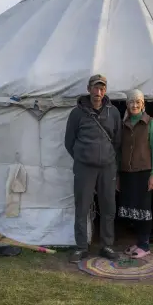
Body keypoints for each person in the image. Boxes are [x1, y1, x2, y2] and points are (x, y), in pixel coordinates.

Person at [64, 74, 122, 263]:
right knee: (82, 207)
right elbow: (69, 142)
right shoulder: (77, 113)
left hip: (107, 167)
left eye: (102, 88)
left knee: (108, 207)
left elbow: (117, 140)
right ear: (88, 89)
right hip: (84, 168)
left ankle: (106, 245)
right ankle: (81, 247)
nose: (98, 92)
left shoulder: (113, 112)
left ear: (105, 90)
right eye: (95, 88)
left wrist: (106, 158)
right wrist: (83, 157)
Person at [117, 89, 153, 258]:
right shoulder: (123, 124)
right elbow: (119, 151)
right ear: (127, 105)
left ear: (143, 104)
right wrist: (118, 175)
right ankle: (138, 241)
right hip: (127, 172)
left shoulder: (150, 122)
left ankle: (145, 244)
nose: (134, 105)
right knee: (132, 209)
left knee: (144, 209)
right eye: (131, 102)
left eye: (138, 102)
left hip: (144, 172)